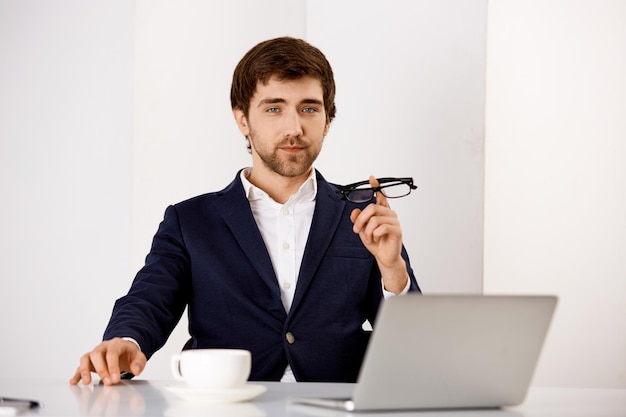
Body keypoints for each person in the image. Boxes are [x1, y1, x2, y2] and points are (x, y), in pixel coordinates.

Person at [70, 36, 420, 386]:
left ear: (327, 120)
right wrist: (125, 341)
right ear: (242, 119)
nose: (294, 128)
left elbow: (414, 351)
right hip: (227, 405)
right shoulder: (190, 221)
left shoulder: (363, 215)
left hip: (336, 407)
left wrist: (393, 271)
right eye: (274, 109)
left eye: (309, 108)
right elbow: (149, 300)